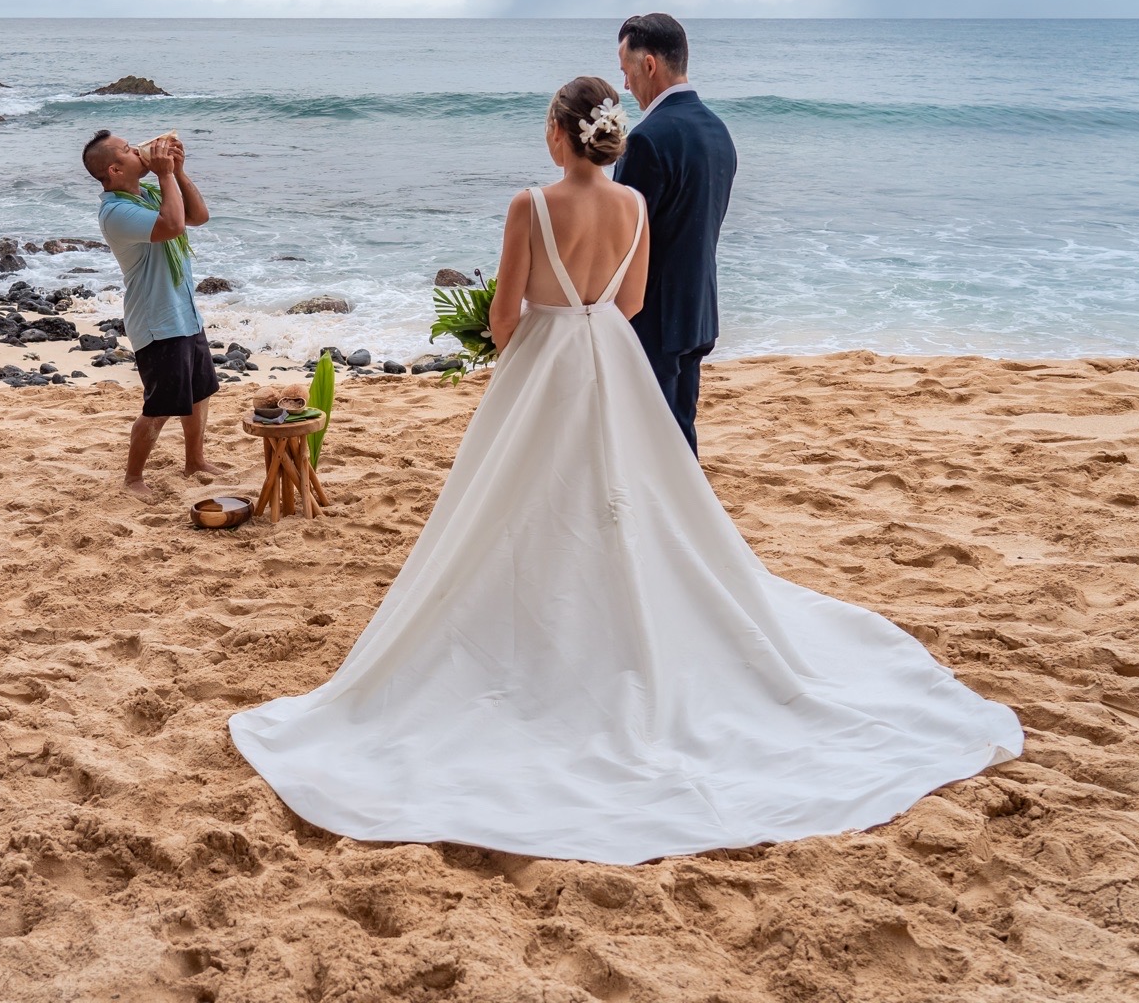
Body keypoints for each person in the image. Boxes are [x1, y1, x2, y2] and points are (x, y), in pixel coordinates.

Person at [228, 76, 1022, 865]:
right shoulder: (634, 207)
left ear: (557, 133)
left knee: (517, 502)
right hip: (611, 357)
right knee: (621, 498)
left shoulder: (529, 206)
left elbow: (504, 317)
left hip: (544, 363)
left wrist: (516, 336)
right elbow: (633, 302)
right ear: (605, 134)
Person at [613, 12, 736, 456]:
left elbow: (621, 241)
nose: (625, 86)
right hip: (697, 310)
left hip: (653, 320)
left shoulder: (647, 139)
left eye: (626, 72)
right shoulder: (717, 130)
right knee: (679, 434)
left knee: (649, 443)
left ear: (649, 65)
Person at [82, 129, 223, 497]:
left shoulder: (147, 195)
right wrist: (163, 173)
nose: (136, 150)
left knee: (198, 394)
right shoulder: (116, 212)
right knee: (160, 407)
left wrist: (177, 171)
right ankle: (133, 479)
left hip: (183, 311)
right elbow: (172, 226)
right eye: (128, 150)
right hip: (157, 320)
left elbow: (198, 217)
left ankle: (195, 460)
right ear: (114, 170)